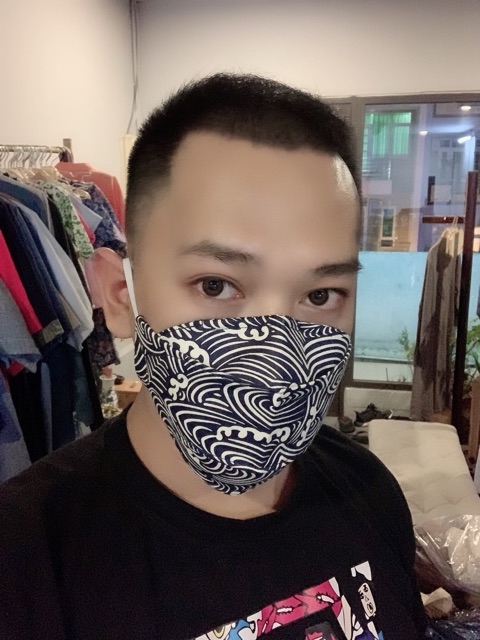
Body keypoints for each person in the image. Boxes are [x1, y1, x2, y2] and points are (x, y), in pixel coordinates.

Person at [0, 74, 426, 640]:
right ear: (121, 296)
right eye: (216, 285)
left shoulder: (369, 489)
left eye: (321, 295)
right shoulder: (24, 560)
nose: (275, 359)